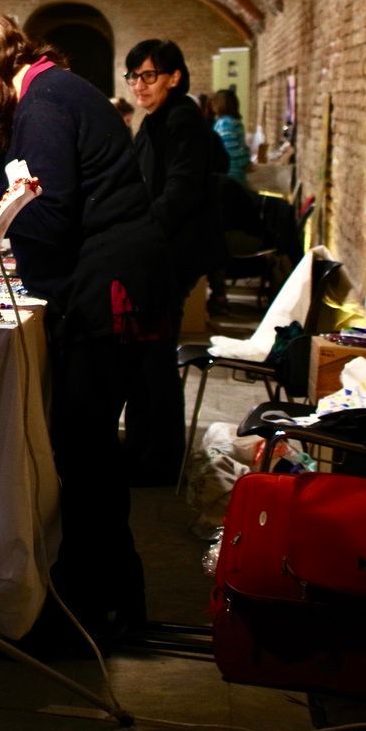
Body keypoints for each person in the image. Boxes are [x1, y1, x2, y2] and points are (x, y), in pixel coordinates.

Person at [0, 2, 164, 648]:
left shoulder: (46, 102)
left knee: (85, 453)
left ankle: (97, 612)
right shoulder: (46, 95)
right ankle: (103, 601)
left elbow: (44, 217)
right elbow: (34, 181)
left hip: (104, 293)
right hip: (99, 286)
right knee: (83, 450)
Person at [123, 39, 224, 485]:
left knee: (154, 360)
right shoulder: (158, 120)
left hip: (168, 257)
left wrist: (142, 236)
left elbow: (179, 191)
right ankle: (145, 451)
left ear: (174, 77)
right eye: (133, 76)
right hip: (159, 252)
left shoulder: (180, 119)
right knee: (147, 358)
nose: (139, 85)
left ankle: (159, 460)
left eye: (148, 75)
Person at [212, 89, 251, 184]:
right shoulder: (232, 122)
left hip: (231, 173)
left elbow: (231, 150)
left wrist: (245, 163)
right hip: (235, 172)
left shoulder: (225, 124)